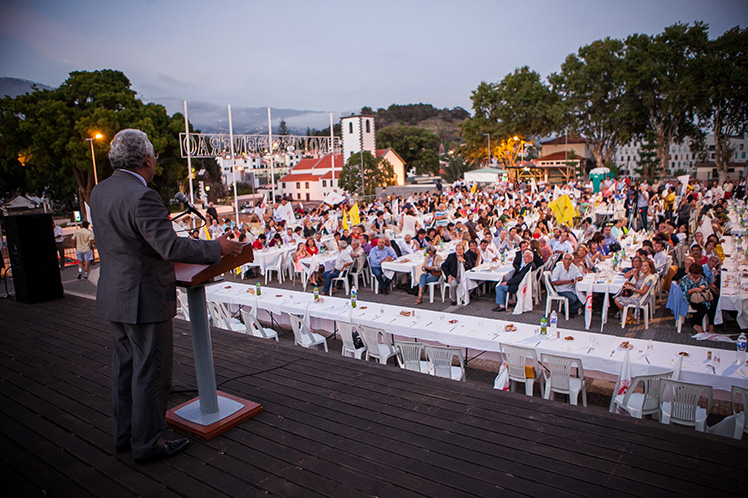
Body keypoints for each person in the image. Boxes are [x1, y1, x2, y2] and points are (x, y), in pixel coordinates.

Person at [90, 129, 242, 463]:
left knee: (125, 369)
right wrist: (217, 247)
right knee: (151, 372)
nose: (156, 160)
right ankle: (149, 444)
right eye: (154, 155)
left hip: (114, 295)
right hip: (144, 298)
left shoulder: (100, 192)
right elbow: (169, 246)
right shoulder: (143, 196)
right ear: (146, 159)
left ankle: (125, 435)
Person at [679, 263, 715, 333]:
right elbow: (684, 292)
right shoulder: (685, 279)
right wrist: (695, 289)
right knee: (702, 307)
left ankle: (711, 324)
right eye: (695, 275)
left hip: (701, 297)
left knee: (712, 305)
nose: (697, 276)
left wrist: (702, 287)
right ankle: (697, 324)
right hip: (690, 298)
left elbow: (706, 286)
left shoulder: (701, 278)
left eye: (698, 275)